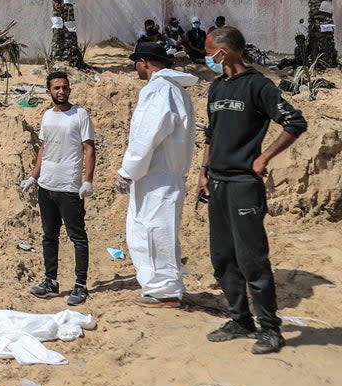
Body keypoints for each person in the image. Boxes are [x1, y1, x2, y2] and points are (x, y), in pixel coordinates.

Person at [198, 26, 307, 354]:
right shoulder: (216, 88)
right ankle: (240, 319)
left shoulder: (259, 86)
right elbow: (210, 134)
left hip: (244, 185)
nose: (207, 58)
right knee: (222, 257)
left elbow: (296, 123)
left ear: (225, 52)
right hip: (217, 184)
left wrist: (264, 157)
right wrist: (203, 174)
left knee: (252, 259)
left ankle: (270, 329)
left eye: (209, 51)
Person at [114, 41, 198, 307]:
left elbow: (146, 136)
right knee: (158, 232)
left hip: (155, 178)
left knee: (151, 233)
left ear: (144, 63)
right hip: (163, 177)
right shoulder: (175, 91)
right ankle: (165, 289)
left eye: (136, 63)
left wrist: (127, 171)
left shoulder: (159, 90)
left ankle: (164, 293)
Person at [20, 71, 96, 306]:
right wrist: (34, 176)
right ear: (49, 92)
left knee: (77, 236)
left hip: (69, 186)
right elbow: (44, 148)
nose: (61, 91)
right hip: (47, 185)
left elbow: (89, 149)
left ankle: (80, 285)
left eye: (65, 87)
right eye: (57, 88)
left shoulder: (80, 115)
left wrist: (87, 180)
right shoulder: (47, 116)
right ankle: (50, 281)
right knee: (49, 236)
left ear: (69, 89)